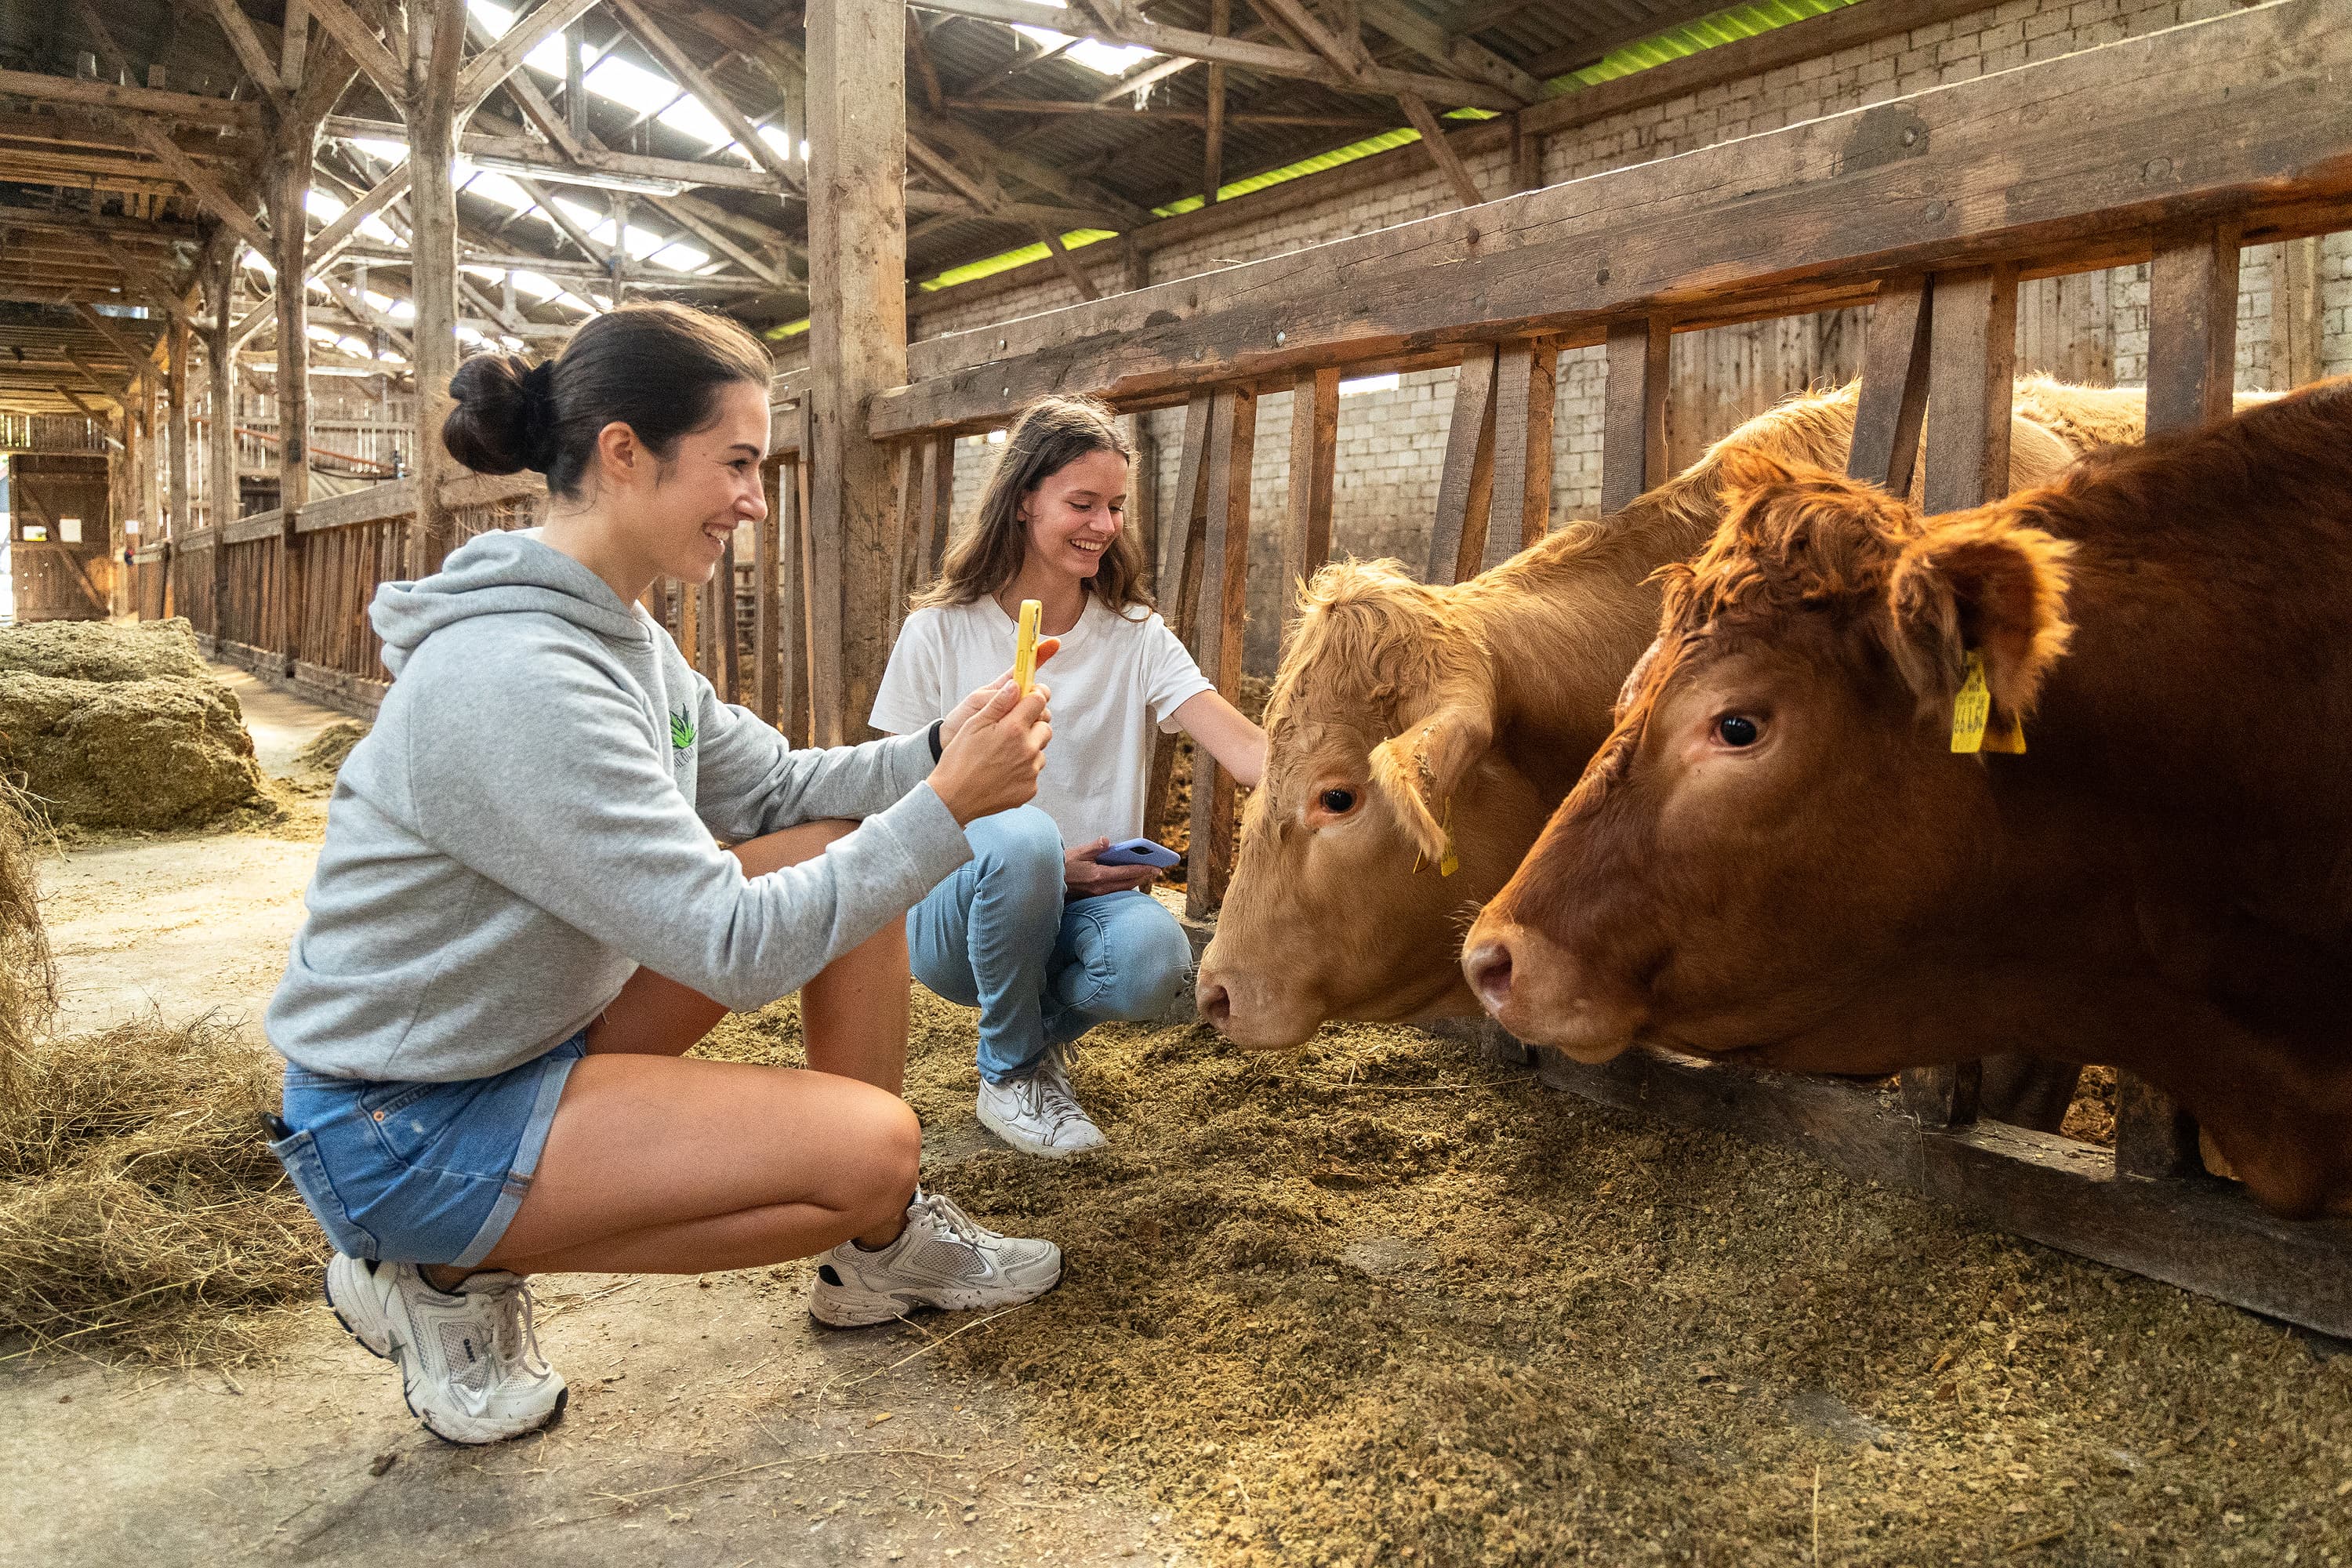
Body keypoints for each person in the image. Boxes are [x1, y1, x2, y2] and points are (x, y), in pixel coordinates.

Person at [264, 302, 1068, 1446]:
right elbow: (732, 947)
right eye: (737, 464)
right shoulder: (518, 678)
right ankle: (431, 1269)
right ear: (624, 452)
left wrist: (944, 747)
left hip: (520, 1037)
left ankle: (876, 1255)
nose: (754, 499)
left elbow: (784, 791)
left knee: (833, 841)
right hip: (404, 1120)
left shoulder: (626, 638)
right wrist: (947, 810)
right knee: (870, 1151)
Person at [872, 397, 1267, 1158]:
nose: (1105, 525)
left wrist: (1374, 771)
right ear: (1023, 500)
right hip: (955, 911)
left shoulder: (1135, 636)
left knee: (1155, 959)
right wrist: (1051, 865)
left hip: (1087, 908)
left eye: (1116, 506)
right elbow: (894, 798)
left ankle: (1019, 1045)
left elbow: (1247, 752)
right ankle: (1015, 1070)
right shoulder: (939, 631)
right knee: (1022, 840)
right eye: (1082, 503)